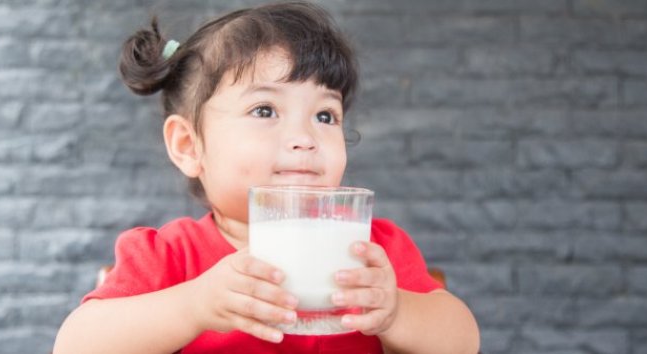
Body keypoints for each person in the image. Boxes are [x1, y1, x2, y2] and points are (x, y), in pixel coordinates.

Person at [53, 2, 480, 353]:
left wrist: (397, 312)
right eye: (264, 110)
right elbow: (74, 345)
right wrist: (194, 306)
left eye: (325, 115)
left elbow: (463, 340)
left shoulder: (371, 251)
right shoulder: (169, 257)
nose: (305, 137)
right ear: (188, 146)